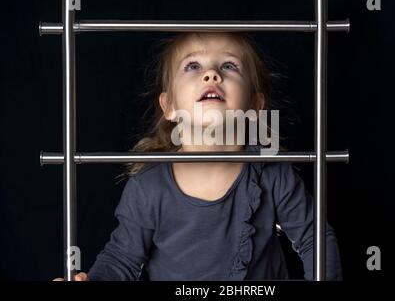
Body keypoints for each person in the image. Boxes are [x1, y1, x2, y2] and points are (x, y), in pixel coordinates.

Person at [54, 32, 342, 281]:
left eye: (229, 65)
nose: (212, 74)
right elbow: (122, 259)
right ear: (169, 106)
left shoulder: (272, 171)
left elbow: (314, 240)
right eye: (192, 65)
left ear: (255, 105)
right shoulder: (149, 185)